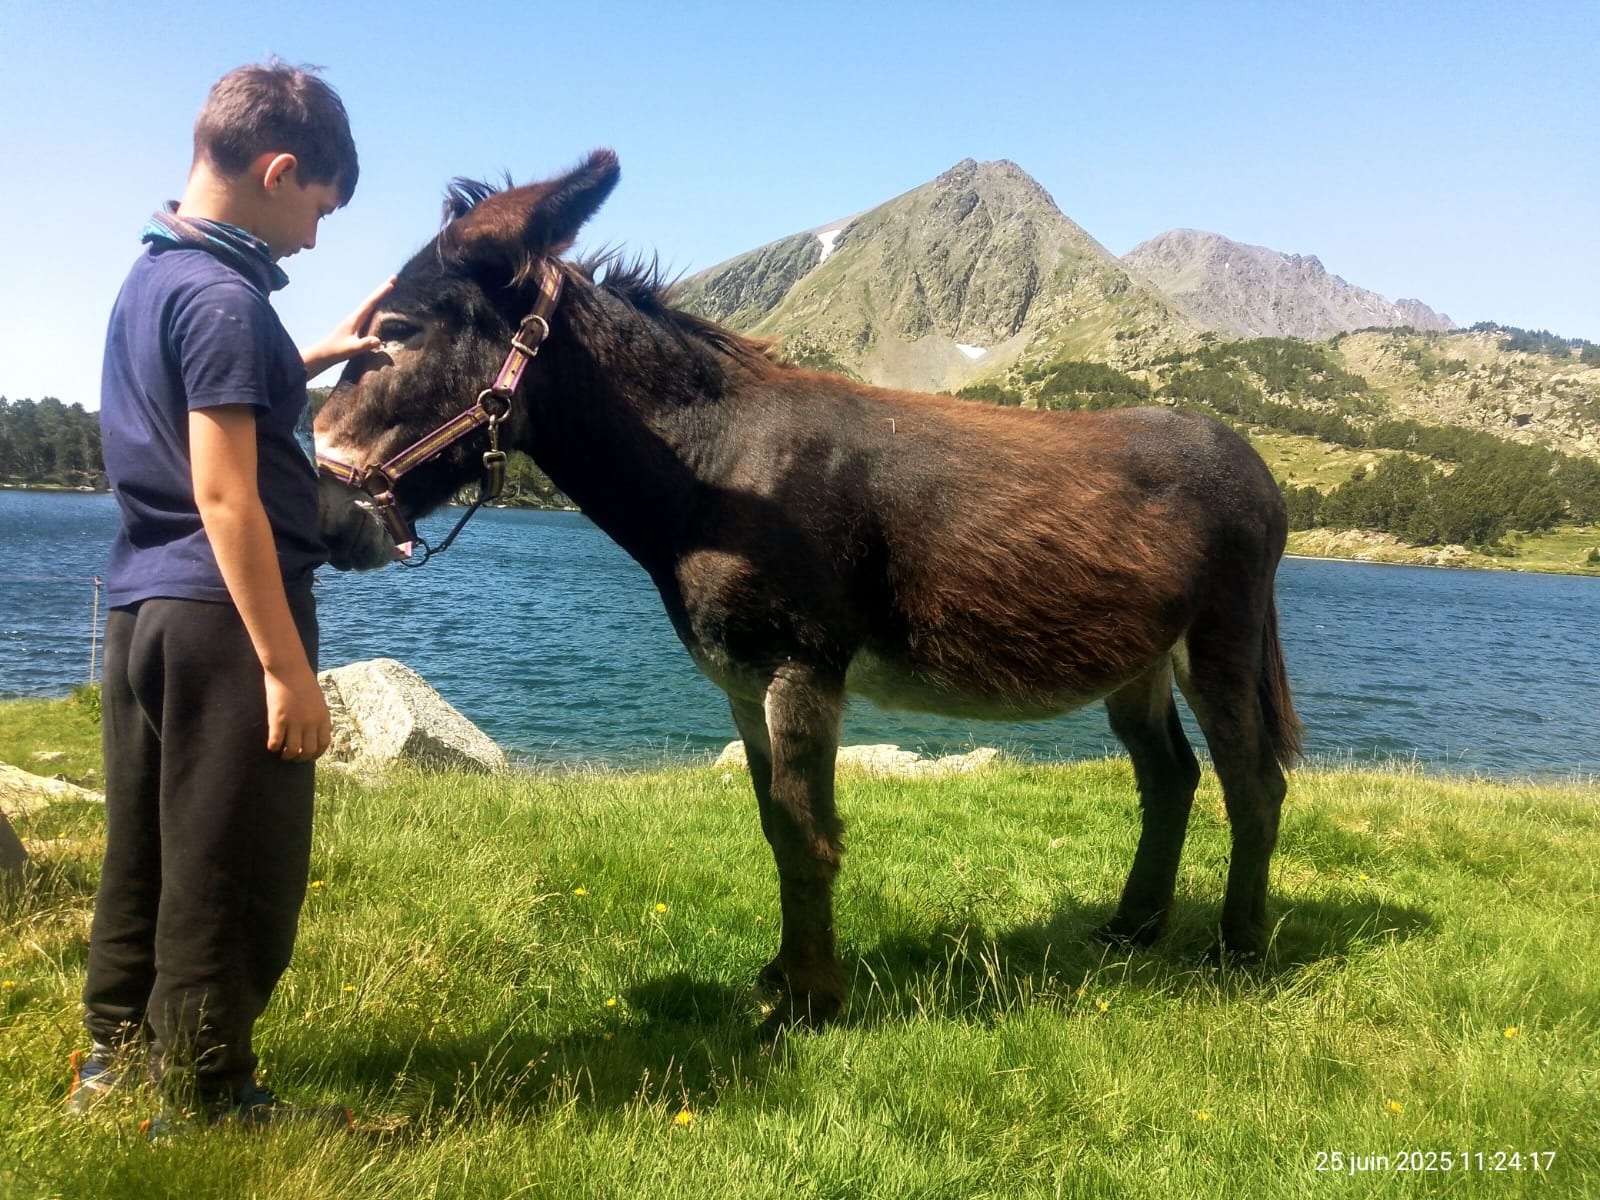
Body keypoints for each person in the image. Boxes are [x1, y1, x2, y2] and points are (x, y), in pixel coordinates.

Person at [69, 60, 391, 1131]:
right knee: (234, 867)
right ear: (279, 168)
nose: (314, 234)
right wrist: (285, 668)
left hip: (141, 611)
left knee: (150, 845)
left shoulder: (158, 276)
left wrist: (307, 355)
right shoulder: (224, 299)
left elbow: (205, 400)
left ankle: (114, 1058)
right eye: (317, 208)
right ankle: (208, 1098)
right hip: (224, 621)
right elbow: (226, 491)